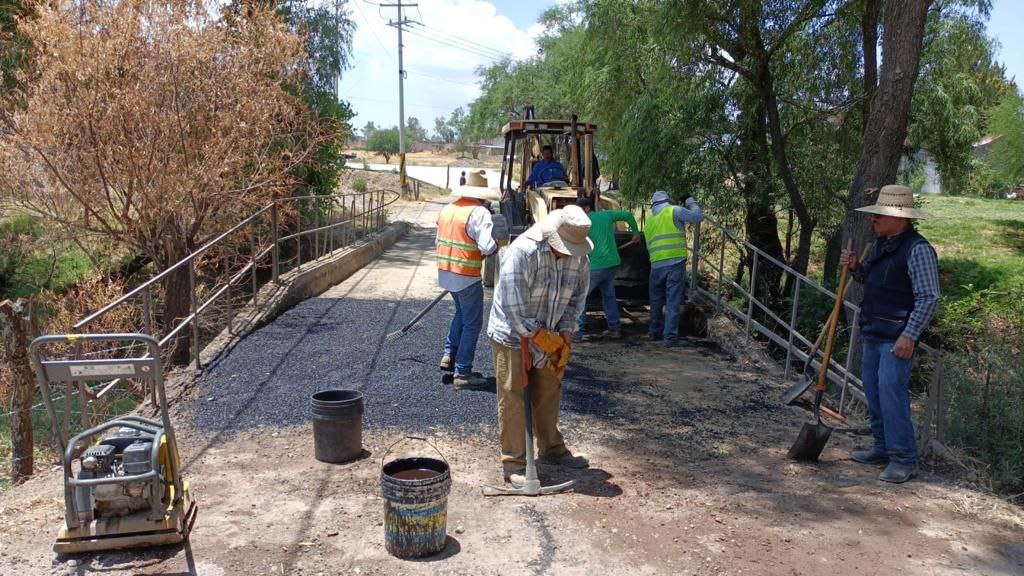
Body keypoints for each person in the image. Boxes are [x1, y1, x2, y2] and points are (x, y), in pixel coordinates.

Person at [840, 184, 939, 484]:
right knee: (874, 392)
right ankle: (882, 448)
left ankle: (904, 459)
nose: (874, 220)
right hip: (875, 330)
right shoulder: (883, 245)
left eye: (881, 215)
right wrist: (857, 267)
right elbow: (871, 279)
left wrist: (909, 336)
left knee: (891, 395)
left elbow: (929, 297)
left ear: (901, 217)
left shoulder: (918, 250)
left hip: (897, 337)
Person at [487, 205, 592, 484]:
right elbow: (514, 306)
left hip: (552, 332)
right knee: (513, 396)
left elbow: (577, 298)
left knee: (549, 390)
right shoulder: (523, 252)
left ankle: (551, 448)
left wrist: (566, 331)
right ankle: (515, 463)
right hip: (512, 332)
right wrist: (529, 342)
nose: (568, 253)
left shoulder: (579, 258)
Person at [436, 183, 497, 389]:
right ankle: (462, 373)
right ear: (483, 197)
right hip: (466, 275)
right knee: (473, 323)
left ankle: (449, 355)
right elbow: (487, 246)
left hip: (446, 272)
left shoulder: (448, 208)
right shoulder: (479, 213)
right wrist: (497, 245)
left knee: (461, 313)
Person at [574, 196, 641, 340]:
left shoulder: (582, 224)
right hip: (612, 264)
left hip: (597, 266)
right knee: (608, 296)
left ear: (587, 209)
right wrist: (635, 232)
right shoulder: (606, 215)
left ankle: (577, 332)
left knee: (580, 297)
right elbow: (628, 215)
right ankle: (614, 328)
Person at [645, 190, 703, 347]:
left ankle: (654, 332)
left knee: (656, 301)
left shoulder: (649, 222)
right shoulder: (674, 210)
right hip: (675, 264)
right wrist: (690, 201)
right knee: (672, 302)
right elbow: (698, 216)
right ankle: (669, 338)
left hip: (656, 265)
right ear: (667, 200)